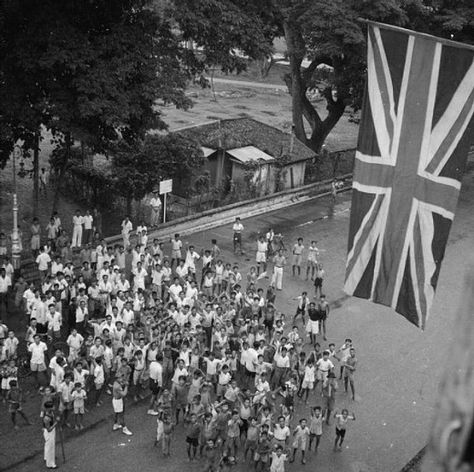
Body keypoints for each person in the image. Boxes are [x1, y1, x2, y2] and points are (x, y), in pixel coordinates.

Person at [43, 400, 58, 469]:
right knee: (51, 447)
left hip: (50, 431)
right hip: (49, 433)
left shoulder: (50, 412)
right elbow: (49, 429)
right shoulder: (46, 418)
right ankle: (50, 464)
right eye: (52, 407)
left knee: (47, 446)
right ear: (48, 408)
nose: (54, 407)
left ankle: (46, 457)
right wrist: (56, 423)